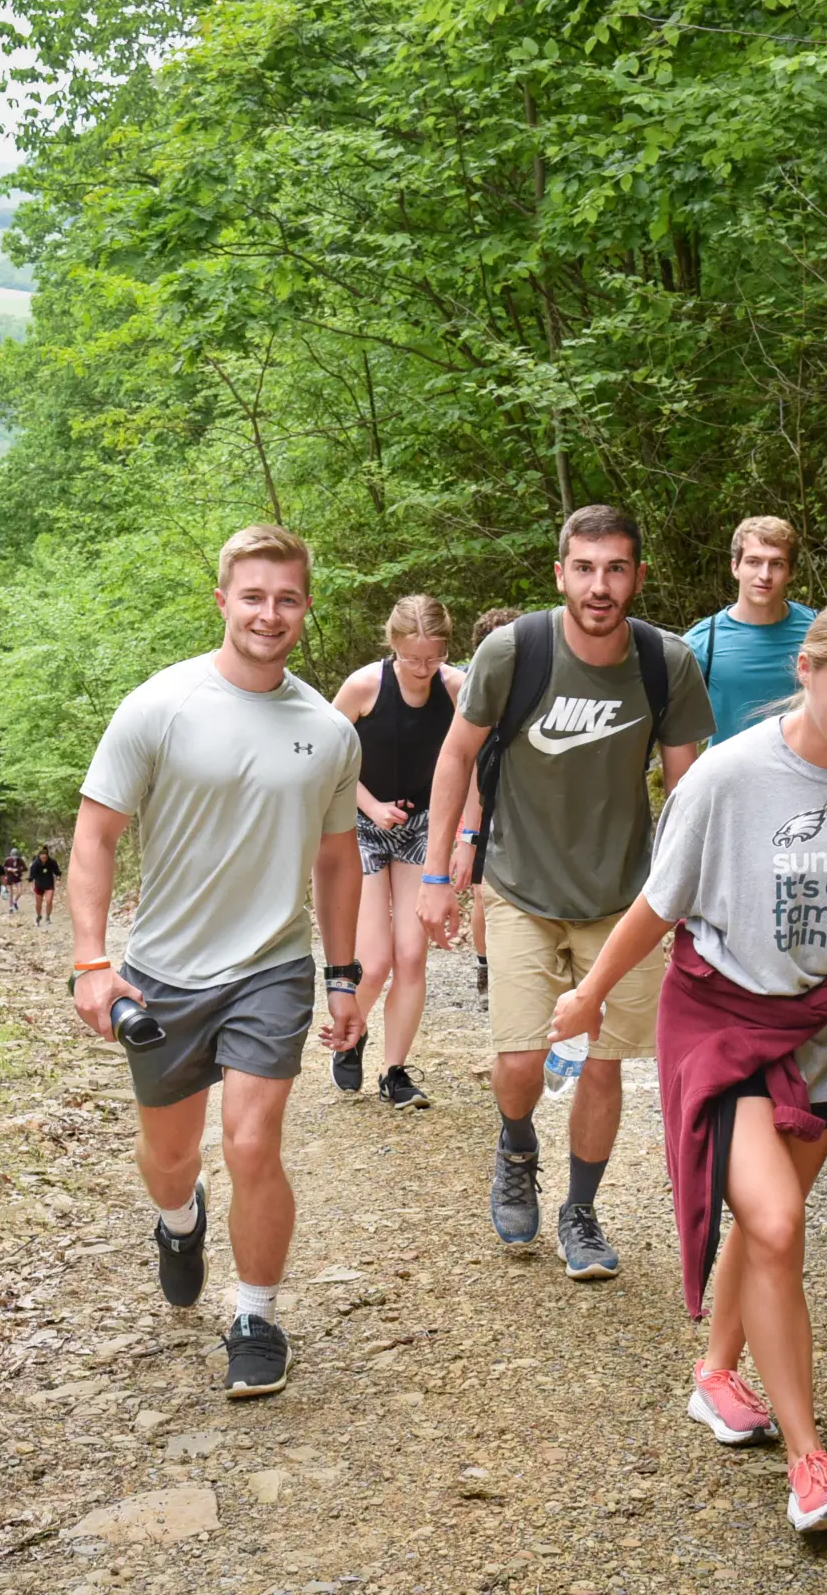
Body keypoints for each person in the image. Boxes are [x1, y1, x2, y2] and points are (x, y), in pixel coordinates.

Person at [551, 596, 827, 1534]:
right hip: (725, 1019)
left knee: (768, 1221)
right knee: (777, 1222)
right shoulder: (729, 777)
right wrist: (590, 995)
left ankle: (714, 1373)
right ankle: (808, 1462)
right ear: (806, 673)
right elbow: (661, 904)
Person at [68, 523, 366, 1399]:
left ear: (305, 609)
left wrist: (344, 974)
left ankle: (258, 1317)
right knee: (168, 1155)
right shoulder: (159, 706)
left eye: (286, 598)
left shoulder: (326, 729)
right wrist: (92, 961)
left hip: (271, 966)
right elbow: (96, 834)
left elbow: (338, 858)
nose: (268, 614)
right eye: (253, 596)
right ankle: (178, 1219)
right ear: (223, 601)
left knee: (251, 1139)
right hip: (163, 970)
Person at [420, 505, 714, 1280]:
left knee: (603, 1065)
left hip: (622, 895)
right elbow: (456, 756)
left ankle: (580, 1210)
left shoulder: (667, 662)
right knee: (519, 1059)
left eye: (616, 568)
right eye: (584, 568)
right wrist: (435, 872)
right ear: (560, 574)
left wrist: (685, 897)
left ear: (639, 577)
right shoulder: (514, 651)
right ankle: (517, 1145)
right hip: (518, 883)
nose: (600, 584)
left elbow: (689, 790)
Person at [329, 596, 468, 1108]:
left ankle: (394, 1072)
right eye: (412, 658)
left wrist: (462, 840)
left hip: (420, 828)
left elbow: (471, 765)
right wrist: (370, 805)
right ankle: (351, 1031)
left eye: (432, 658)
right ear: (393, 646)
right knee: (377, 960)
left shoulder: (456, 689)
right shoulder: (364, 686)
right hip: (359, 827)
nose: (422, 669)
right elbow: (326, 760)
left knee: (412, 955)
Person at [681, 516, 817, 739]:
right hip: (730, 771)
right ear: (735, 567)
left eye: (777, 564)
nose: (764, 575)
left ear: (791, 572)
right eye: (753, 562)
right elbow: (673, 724)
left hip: (803, 769)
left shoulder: (817, 629)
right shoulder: (702, 643)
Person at [463, 606, 524, 997]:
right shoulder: (473, 693)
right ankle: (487, 968)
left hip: (529, 808)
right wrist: (467, 835)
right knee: (483, 895)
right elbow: (464, 763)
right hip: (487, 804)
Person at [30, 843, 61, 923]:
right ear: (40, 856)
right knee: (38, 904)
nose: (44, 859)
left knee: (49, 901)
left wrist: (58, 879)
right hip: (39, 884)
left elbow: (57, 872)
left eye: (45, 857)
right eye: (42, 857)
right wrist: (31, 885)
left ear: (47, 857)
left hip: (49, 884)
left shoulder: (52, 862)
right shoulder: (35, 864)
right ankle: (39, 915)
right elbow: (31, 876)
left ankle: (47, 917)